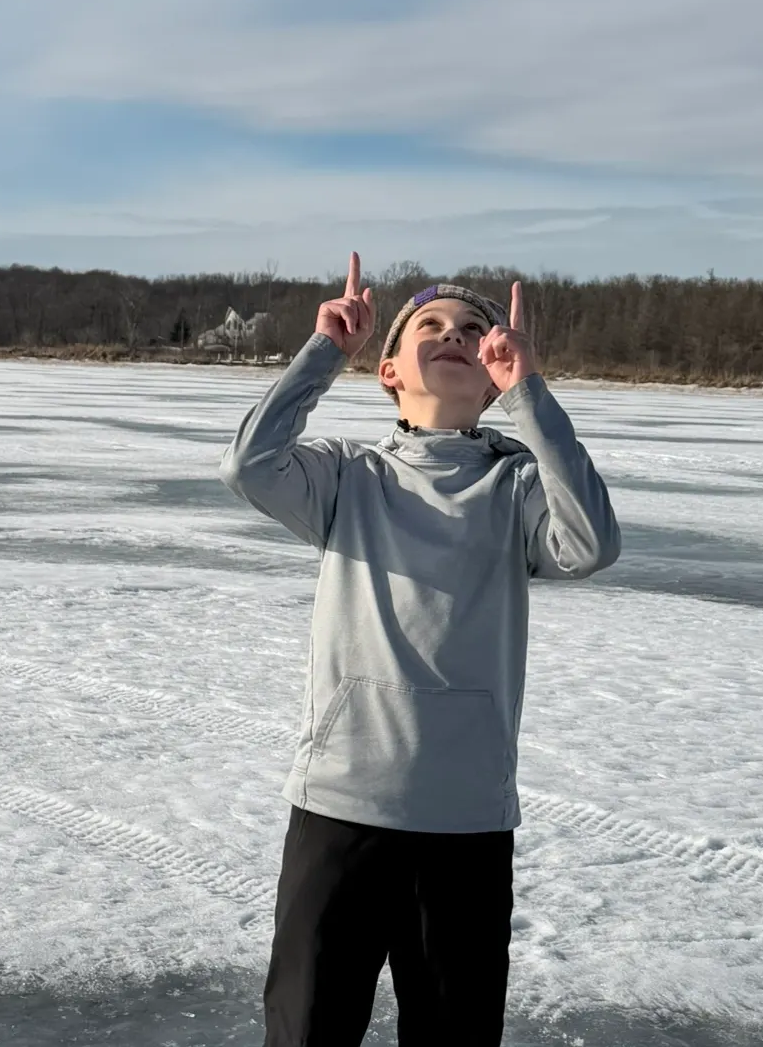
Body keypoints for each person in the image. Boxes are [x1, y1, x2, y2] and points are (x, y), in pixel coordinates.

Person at [220, 252, 621, 1045]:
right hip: (341, 807)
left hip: (466, 823)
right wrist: (325, 352)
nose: (454, 336)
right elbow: (249, 464)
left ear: (493, 375)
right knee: (306, 1031)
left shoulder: (516, 489)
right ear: (391, 372)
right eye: (428, 327)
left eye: (474, 331)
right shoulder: (346, 478)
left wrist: (532, 399)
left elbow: (591, 543)